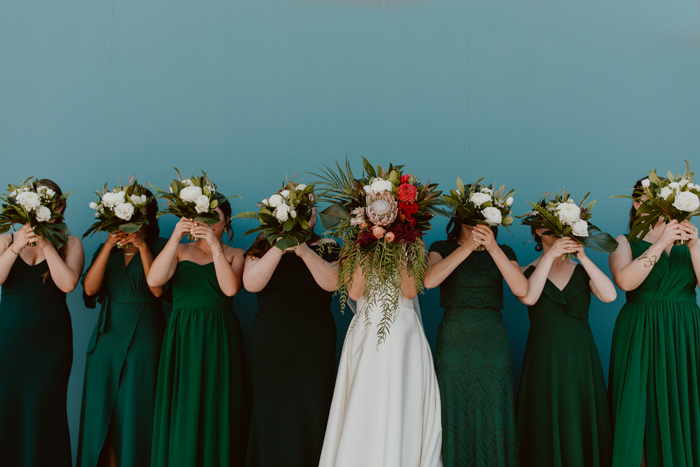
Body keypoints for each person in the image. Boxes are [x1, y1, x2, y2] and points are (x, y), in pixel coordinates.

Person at [319, 243, 443, 467]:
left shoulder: (414, 242)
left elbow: (410, 290)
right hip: (367, 331)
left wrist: (396, 242)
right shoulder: (356, 242)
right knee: (363, 399)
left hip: (402, 333)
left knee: (401, 398)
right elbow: (355, 292)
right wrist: (368, 243)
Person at [147, 201, 248, 467]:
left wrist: (215, 247)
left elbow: (229, 290)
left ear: (226, 221)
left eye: (214, 216)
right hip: (183, 334)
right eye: (201, 216)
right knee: (183, 404)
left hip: (219, 335)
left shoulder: (236, 253)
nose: (207, 222)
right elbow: (154, 280)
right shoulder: (180, 251)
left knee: (217, 403)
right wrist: (176, 236)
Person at [608, 178, 700, 466]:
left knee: (684, 405)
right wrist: (660, 243)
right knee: (641, 408)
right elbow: (625, 281)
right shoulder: (623, 242)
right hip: (642, 331)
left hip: (684, 330)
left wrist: (695, 246)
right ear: (637, 204)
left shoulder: (688, 243)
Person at [424, 221, 528, 467]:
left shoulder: (504, 250)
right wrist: (468, 247)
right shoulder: (441, 247)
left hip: (493, 338)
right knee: (453, 406)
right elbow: (429, 281)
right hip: (454, 339)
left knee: (493, 407)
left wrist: (492, 248)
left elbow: (521, 288)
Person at [243, 207, 338, 467]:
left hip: (313, 341)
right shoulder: (262, 245)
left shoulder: (327, 246)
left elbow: (333, 282)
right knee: (271, 411)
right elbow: (251, 284)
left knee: (312, 407)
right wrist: (282, 243)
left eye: (308, 213)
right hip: (271, 340)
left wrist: (303, 248)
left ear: (314, 218)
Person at [77, 190, 166, 467]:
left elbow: (158, 289)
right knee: (104, 409)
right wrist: (107, 245)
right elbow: (90, 289)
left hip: (146, 335)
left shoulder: (161, 246)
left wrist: (142, 246)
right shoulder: (106, 248)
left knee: (138, 407)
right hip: (107, 337)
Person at [0, 179, 84, 467]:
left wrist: (47, 243)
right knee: (7, 405)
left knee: (46, 407)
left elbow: (68, 284)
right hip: (9, 338)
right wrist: (16, 246)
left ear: (58, 207)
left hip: (51, 341)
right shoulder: (5, 238)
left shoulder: (71, 242)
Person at [516, 230, 616, 467]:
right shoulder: (524, 271)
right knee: (544, 413)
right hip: (544, 355)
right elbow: (529, 297)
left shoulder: (582, 270)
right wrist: (550, 257)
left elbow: (610, 295)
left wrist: (583, 256)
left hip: (581, 354)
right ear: (538, 231)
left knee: (580, 413)